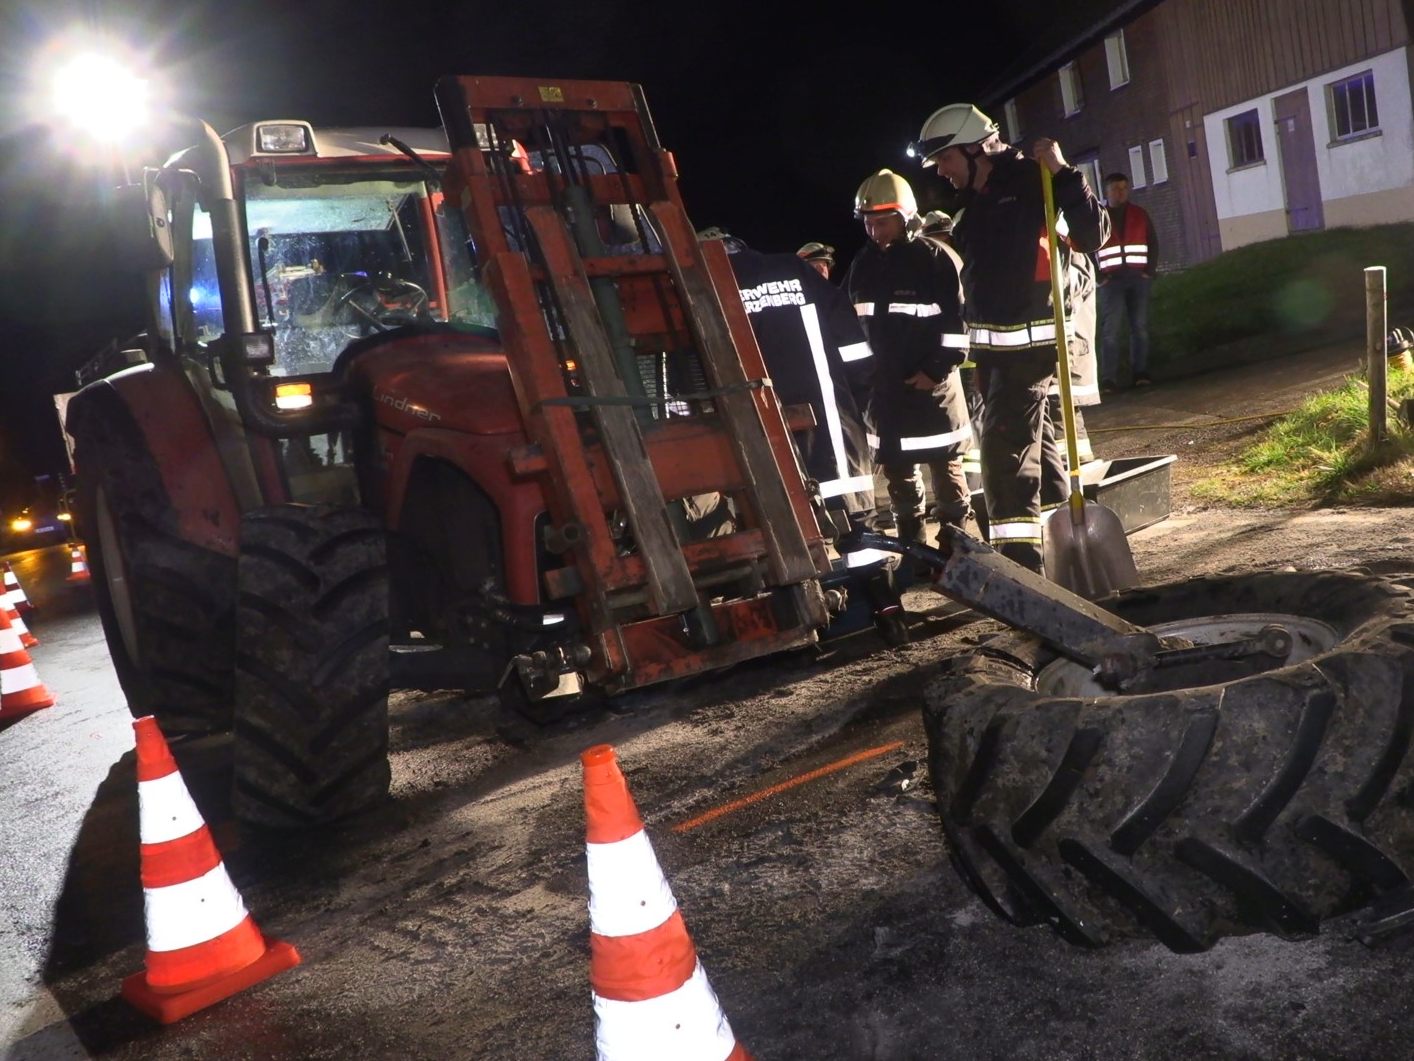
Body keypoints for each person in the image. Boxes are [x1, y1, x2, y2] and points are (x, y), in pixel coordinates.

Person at [910, 103, 1108, 574]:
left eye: (945, 159)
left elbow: (1093, 234)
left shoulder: (1031, 182)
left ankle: (1022, 572)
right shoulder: (976, 201)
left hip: (1032, 350)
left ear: (975, 149)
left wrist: (1064, 174)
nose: (941, 171)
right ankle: (1067, 559)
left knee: (1004, 458)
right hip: (996, 357)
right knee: (1037, 449)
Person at [700, 227, 906, 626]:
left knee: (782, 525)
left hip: (761, 430)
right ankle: (888, 610)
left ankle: (808, 615)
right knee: (855, 523)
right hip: (832, 418)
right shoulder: (792, 268)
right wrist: (855, 396)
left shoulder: (705, 284)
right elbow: (855, 348)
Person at [844, 169, 974, 563]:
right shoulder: (862, 264)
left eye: (881, 221)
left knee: (947, 472)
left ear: (906, 217)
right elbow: (849, 324)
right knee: (899, 478)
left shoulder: (933, 260)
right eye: (867, 221)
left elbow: (957, 326)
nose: (872, 229)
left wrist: (935, 370)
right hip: (885, 394)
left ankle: (958, 553)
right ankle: (914, 554)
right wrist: (860, 379)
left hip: (931, 389)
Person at [1097, 171, 1158, 389]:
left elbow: (1153, 242)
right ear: (1107, 191)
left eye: (1123, 188)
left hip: (1137, 279)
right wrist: (1099, 276)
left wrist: (1148, 271)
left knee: (1139, 327)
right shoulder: (1100, 217)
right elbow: (1086, 249)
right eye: (1115, 189)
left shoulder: (1139, 214)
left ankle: (1140, 372)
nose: (1120, 193)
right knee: (1110, 330)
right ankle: (1109, 379)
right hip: (1111, 281)